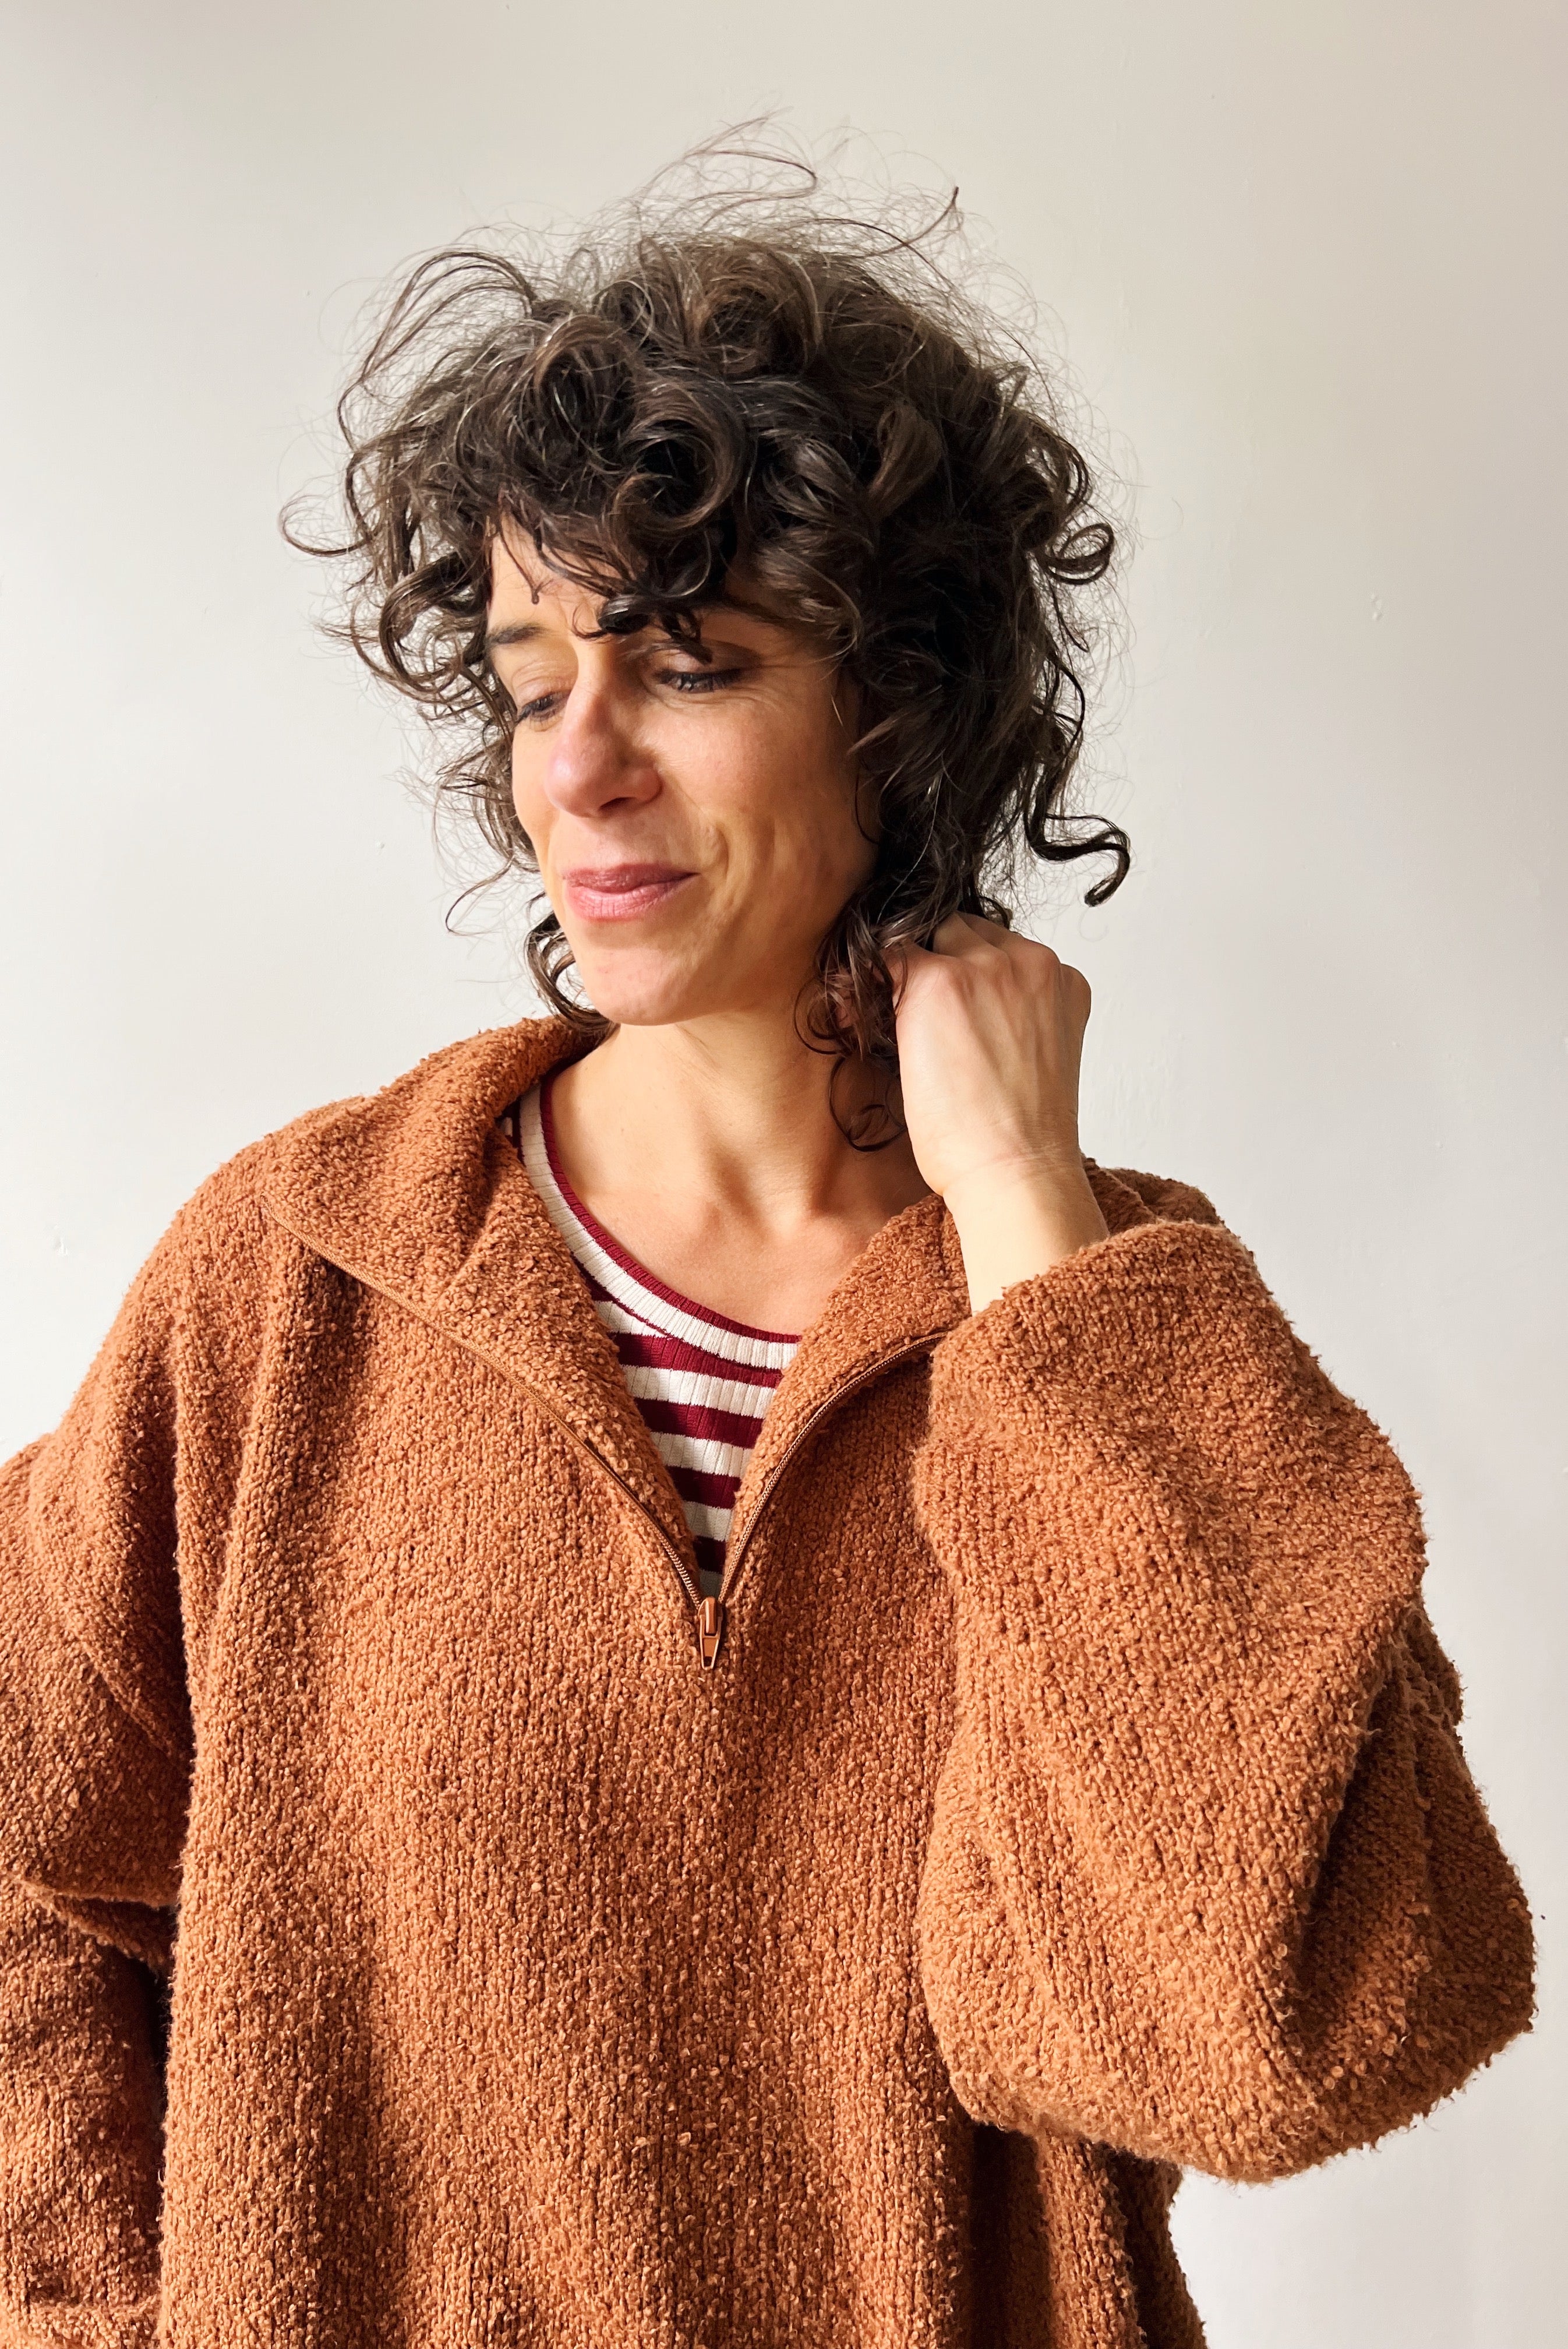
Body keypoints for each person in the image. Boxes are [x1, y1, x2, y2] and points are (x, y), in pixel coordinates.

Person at [0, 173, 1534, 2349]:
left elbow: (1274, 2040)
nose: (583, 768)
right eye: (533, 686)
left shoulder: (1111, 1331)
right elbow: (23, 1841)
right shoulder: (308, 1272)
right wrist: (93, 2315)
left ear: (900, 711)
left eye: (690, 665)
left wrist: (1023, 1212)